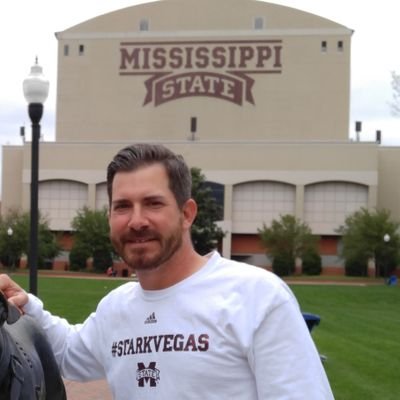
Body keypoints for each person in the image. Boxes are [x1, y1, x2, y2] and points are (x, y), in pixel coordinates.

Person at [0, 143, 334, 399]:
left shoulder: (257, 295)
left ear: (187, 213)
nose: (137, 220)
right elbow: (68, 353)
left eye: (153, 203)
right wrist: (25, 304)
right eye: (122, 206)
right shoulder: (116, 309)